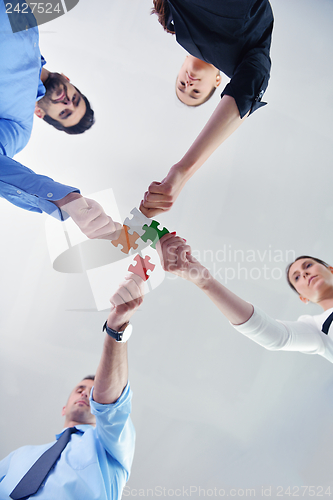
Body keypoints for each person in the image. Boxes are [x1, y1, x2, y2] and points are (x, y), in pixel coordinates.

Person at [0, 273, 144, 500]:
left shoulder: (111, 444)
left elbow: (110, 405)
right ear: (63, 408)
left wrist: (115, 328)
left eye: (92, 391)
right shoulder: (18, 456)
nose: (85, 392)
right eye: (79, 389)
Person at [140, 0, 273, 217]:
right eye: (195, 92)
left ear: (182, 65)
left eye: (181, 84)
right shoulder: (249, 55)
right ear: (218, 82)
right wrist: (182, 171)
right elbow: (247, 91)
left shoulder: (174, 21)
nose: (189, 84)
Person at [0, 1, 120, 238]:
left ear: (40, 114)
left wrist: (63, 198)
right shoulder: (29, 25)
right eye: (75, 99)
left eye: (64, 112)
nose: (67, 102)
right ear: (67, 78)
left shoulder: (18, 125)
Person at [157, 233, 333, 364]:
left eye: (308, 265)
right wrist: (205, 282)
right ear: (303, 298)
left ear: (330, 269)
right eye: (297, 277)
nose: (304, 273)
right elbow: (277, 336)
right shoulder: (316, 328)